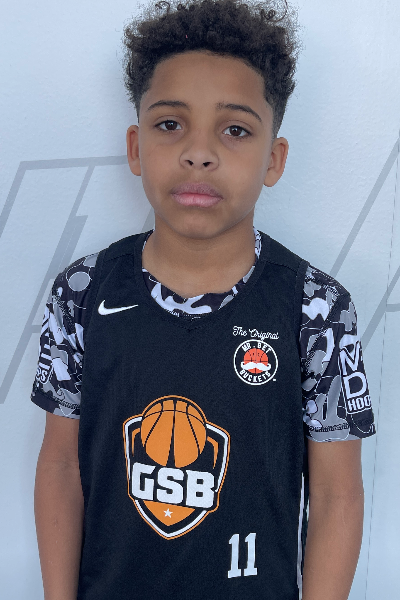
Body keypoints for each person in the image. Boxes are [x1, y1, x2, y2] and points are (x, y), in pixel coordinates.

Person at [32, 0, 376, 598]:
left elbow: (337, 495)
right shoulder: (82, 292)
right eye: (171, 124)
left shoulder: (316, 307)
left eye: (235, 129)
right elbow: (62, 467)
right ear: (136, 148)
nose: (199, 152)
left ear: (274, 159)